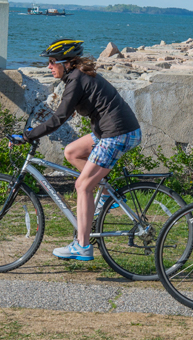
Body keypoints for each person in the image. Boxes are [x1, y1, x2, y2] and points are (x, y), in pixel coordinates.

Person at [10, 39, 141, 261]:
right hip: (111, 131)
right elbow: (63, 112)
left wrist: (27, 136)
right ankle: (108, 194)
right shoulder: (76, 78)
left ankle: (82, 246)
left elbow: (59, 118)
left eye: (52, 62)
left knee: (82, 186)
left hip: (117, 134)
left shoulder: (76, 81)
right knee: (71, 152)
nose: (48, 67)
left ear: (67, 62)